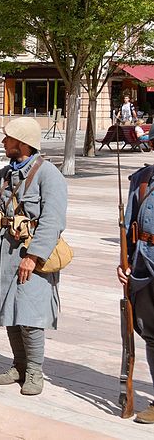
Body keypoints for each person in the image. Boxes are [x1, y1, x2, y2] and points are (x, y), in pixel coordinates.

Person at [0, 117, 67, 396]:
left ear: (23, 143)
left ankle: (35, 372)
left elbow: (52, 220)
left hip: (31, 255)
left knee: (30, 314)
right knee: (8, 310)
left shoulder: (48, 174)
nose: (3, 142)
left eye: (8, 138)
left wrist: (34, 256)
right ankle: (19, 365)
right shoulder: (5, 174)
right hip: (4, 252)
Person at [118, 163, 154, 424]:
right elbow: (129, 225)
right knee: (151, 334)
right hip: (144, 265)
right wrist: (125, 263)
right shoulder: (142, 179)